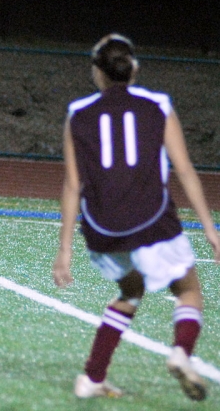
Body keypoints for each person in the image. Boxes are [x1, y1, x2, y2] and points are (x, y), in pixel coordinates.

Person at [52, 33, 220, 401]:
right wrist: (210, 228)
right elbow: (186, 170)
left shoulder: (77, 113)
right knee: (188, 290)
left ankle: (92, 378)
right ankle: (180, 353)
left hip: (101, 228)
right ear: (134, 68)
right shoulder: (158, 104)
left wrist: (64, 249)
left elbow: (72, 185)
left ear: (97, 72)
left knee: (131, 289)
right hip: (151, 219)